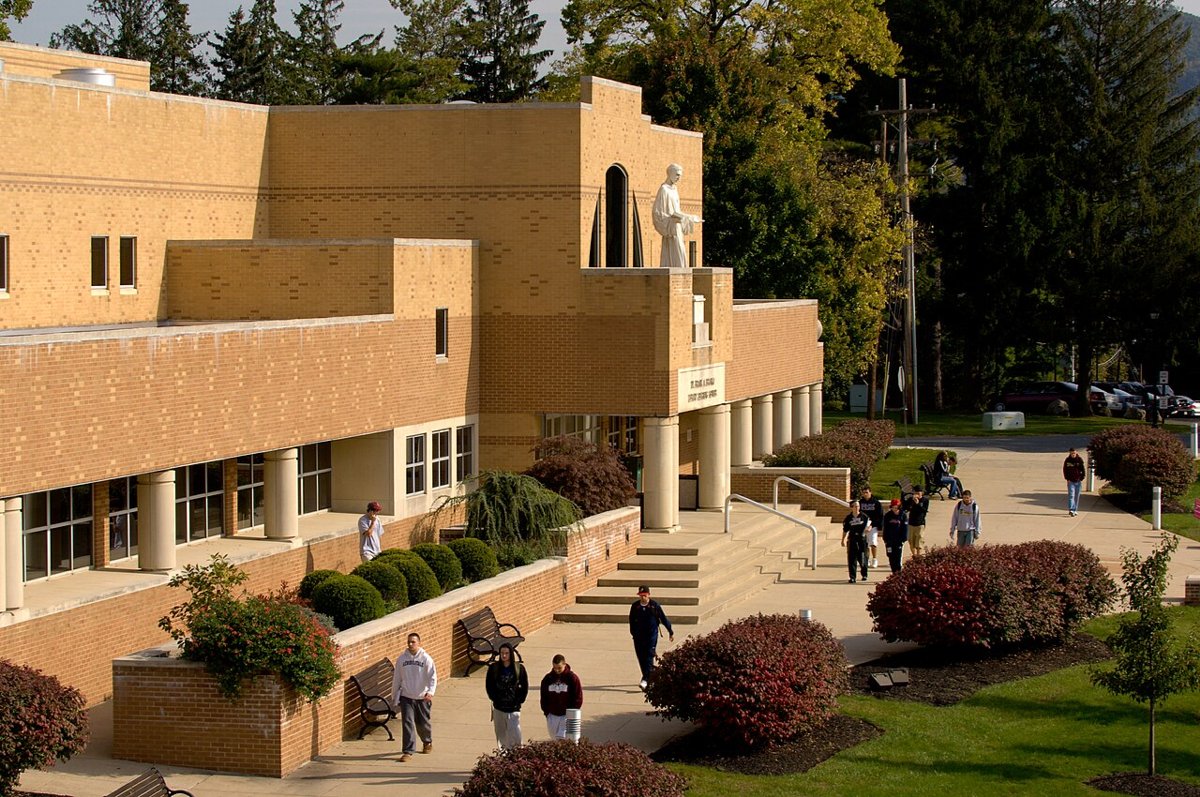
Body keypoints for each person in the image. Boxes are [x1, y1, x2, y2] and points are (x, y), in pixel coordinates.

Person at [391, 631, 436, 762]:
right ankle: (408, 751)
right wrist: (395, 696)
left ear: (419, 643)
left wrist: (430, 692)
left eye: (413, 642)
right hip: (406, 697)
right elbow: (397, 678)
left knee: (422, 723)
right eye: (409, 642)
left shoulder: (426, 659)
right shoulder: (402, 659)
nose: (411, 644)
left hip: (422, 697)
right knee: (407, 723)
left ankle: (427, 741)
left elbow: (432, 677)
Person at [652, 164, 701, 268]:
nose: (679, 178)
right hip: (671, 225)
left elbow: (677, 210)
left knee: (680, 249)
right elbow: (660, 211)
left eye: (680, 175)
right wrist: (687, 217)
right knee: (677, 249)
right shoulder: (664, 190)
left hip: (677, 224)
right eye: (677, 175)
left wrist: (690, 217)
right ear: (670, 173)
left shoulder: (674, 190)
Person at [629, 585, 673, 690]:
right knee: (641, 657)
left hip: (651, 635)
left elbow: (663, 618)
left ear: (648, 595)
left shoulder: (654, 606)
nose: (643, 597)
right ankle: (649, 677)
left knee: (649, 655)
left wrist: (670, 631)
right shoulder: (635, 606)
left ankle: (645, 679)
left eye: (644, 595)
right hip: (639, 636)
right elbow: (631, 620)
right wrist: (633, 633)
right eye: (641, 595)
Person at [485, 642, 528, 751]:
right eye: (502, 653)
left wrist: (519, 701)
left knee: (515, 735)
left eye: (507, 653)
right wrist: (494, 698)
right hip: (499, 707)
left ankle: (518, 756)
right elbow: (489, 685)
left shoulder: (519, 669)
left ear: (511, 654)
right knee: (501, 736)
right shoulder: (494, 668)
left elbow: (524, 687)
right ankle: (504, 757)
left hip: (513, 708)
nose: (504, 656)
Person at [540, 653, 583, 740]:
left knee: (563, 739)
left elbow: (578, 697)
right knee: (555, 739)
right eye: (555, 668)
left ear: (564, 664)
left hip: (567, 715)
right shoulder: (547, 679)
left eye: (559, 668)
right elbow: (543, 696)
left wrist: (572, 713)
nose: (557, 670)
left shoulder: (572, 678)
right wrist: (547, 713)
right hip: (552, 715)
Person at [841, 500, 870, 583]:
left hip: (862, 539)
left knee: (863, 558)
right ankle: (852, 577)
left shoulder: (864, 516)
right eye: (855, 506)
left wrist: (868, 529)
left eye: (858, 506)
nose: (857, 508)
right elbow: (845, 529)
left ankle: (864, 574)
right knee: (852, 559)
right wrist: (843, 539)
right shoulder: (848, 518)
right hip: (852, 539)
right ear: (852, 507)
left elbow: (869, 525)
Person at [881, 498, 909, 573]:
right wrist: (885, 539)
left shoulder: (903, 515)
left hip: (899, 540)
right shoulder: (888, 515)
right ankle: (894, 572)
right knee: (890, 556)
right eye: (893, 507)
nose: (895, 509)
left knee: (898, 558)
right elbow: (885, 528)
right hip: (889, 540)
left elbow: (905, 528)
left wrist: (903, 539)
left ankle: (898, 573)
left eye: (896, 507)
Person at [858, 487, 884, 568]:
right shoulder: (860, 503)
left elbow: (879, 516)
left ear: (870, 492)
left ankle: (874, 559)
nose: (865, 494)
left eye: (867, 492)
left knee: (873, 543)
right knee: (865, 544)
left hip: (872, 526)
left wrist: (872, 525)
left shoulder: (876, 503)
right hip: (863, 526)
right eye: (864, 492)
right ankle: (867, 559)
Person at [904, 486, 929, 557]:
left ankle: (918, 555)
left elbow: (924, 511)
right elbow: (906, 507)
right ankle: (914, 554)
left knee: (919, 540)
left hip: (920, 523)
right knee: (910, 540)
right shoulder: (911, 500)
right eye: (915, 492)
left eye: (918, 493)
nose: (917, 494)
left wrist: (917, 504)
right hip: (911, 522)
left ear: (922, 493)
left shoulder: (925, 500)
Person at [1063, 447, 1086, 517]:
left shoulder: (1079, 460)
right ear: (1070, 453)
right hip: (1071, 481)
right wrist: (1067, 478)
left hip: (1078, 481)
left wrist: (1082, 477)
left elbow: (1083, 469)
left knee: (1077, 496)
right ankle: (1071, 510)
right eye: (1072, 453)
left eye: (1074, 453)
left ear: (1076, 453)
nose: (1073, 454)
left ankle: (1075, 510)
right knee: (1071, 495)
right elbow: (1065, 470)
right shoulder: (1067, 460)